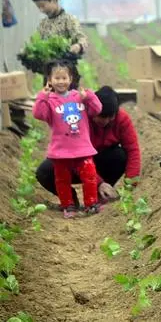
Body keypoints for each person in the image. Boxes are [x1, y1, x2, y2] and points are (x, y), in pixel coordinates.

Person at [36, 85, 142, 205]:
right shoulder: (79, 117)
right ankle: (70, 199)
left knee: (120, 156)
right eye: (101, 116)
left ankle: (101, 195)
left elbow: (133, 150)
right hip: (74, 161)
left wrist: (130, 186)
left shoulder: (122, 119)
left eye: (110, 117)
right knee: (44, 172)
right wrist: (99, 182)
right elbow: (75, 156)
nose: (105, 121)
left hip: (100, 162)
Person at [32, 59, 102, 218]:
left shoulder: (79, 97)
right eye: (57, 78)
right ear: (50, 80)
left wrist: (89, 97)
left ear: (71, 79)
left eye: (64, 78)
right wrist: (43, 96)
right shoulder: (50, 101)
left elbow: (97, 109)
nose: (61, 82)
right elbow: (38, 114)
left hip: (82, 148)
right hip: (61, 150)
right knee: (62, 179)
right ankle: (68, 206)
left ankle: (91, 204)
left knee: (89, 176)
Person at [31, 0, 88, 88]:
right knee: (51, 102)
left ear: (53, 0)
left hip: (66, 74)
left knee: (68, 102)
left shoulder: (68, 19)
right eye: (38, 7)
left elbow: (82, 38)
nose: (41, 10)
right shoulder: (43, 24)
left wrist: (78, 46)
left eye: (43, 5)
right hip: (50, 75)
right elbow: (39, 44)